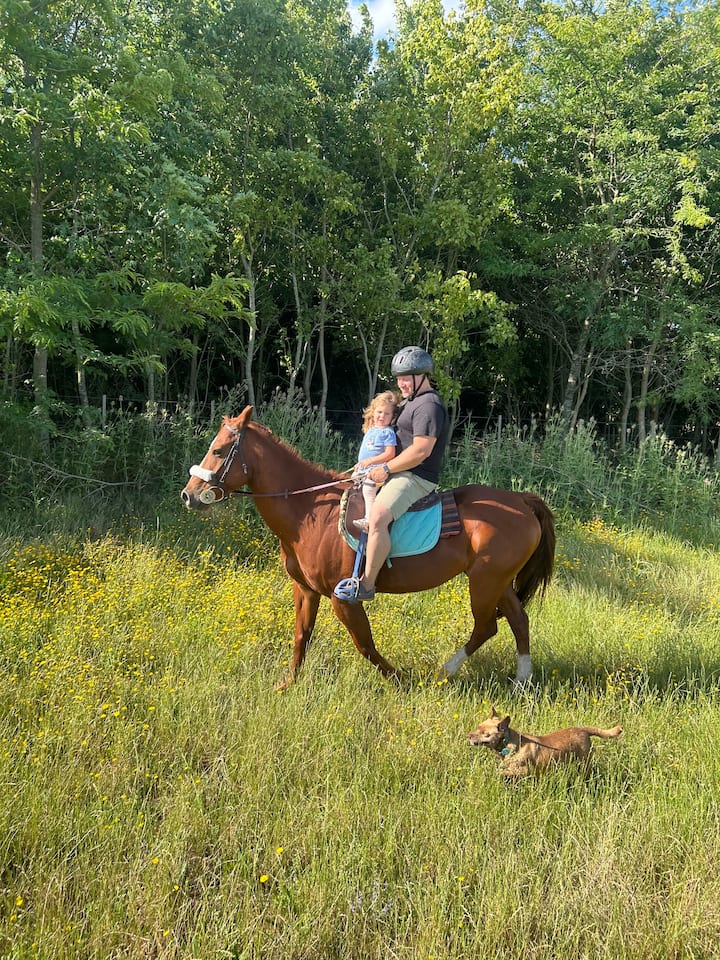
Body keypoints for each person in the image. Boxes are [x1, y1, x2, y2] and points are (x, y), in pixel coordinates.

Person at [335, 346, 450, 604]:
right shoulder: (410, 402)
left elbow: (421, 450)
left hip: (415, 476)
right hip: (396, 470)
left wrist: (385, 469)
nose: (402, 384)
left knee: (377, 516)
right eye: (399, 379)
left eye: (407, 378)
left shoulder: (428, 405)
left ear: (423, 377)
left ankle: (367, 583)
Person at [352, 391, 399, 533]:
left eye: (387, 414)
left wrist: (371, 460)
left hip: (378, 470)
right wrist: (359, 464)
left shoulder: (388, 433)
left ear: (392, 416)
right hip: (365, 469)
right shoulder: (371, 430)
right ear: (373, 412)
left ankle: (368, 519)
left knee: (368, 488)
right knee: (351, 481)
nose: (382, 417)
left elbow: (390, 453)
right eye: (379, 412)